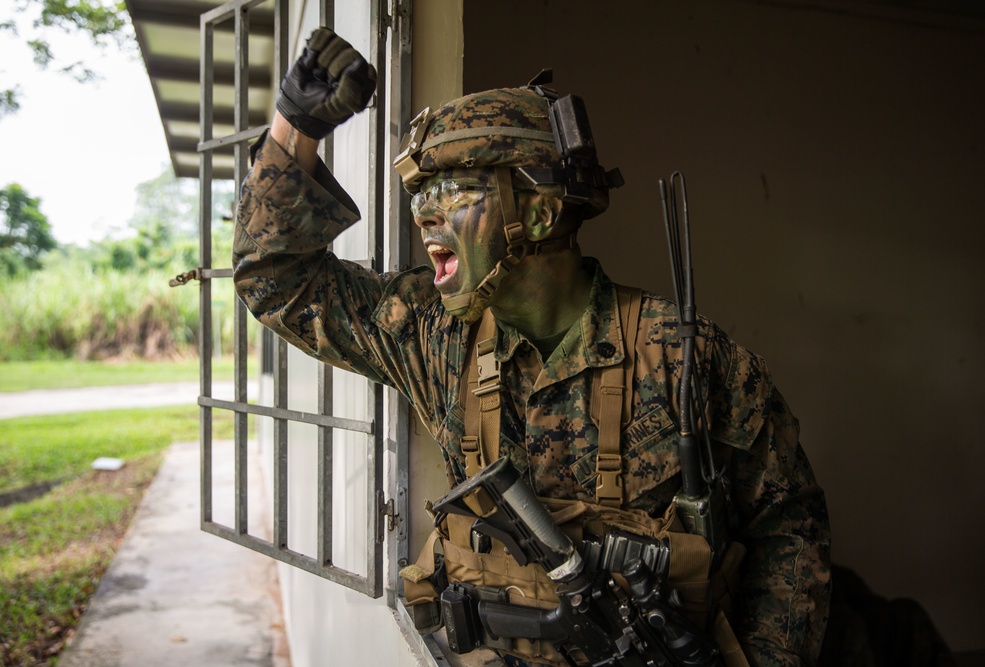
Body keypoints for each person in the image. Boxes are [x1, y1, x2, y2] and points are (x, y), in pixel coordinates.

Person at [233, 28, 831, 667]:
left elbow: (790, 531)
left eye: (456, 191)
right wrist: (295, 126)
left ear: (541, 215)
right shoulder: (434, 334)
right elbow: (276, 281)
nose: (425, 217)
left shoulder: (686, 355)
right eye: (422, 197)